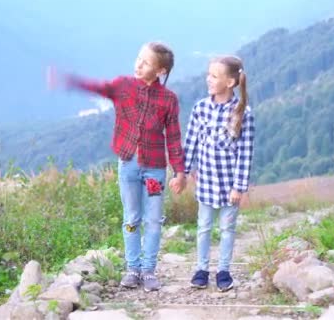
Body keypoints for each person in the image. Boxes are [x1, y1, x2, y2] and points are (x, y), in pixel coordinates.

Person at [47, 41, 186, 292]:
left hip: (154, 169)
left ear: (160, 71)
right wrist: (69, 81)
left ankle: (148, 271)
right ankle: (132, 269)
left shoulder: (169, 100)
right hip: (128, 165)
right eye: (138, 58)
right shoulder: (123, 86)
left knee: (153, 220)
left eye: (146, 62)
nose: (138, 64)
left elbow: (174, 136)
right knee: (131, 217)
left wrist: (179, 171)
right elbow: (98, 87)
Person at [170, 55, 254, 292]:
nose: (208, 79)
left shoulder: (243, 113)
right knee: (204, 226)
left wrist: (239, 186)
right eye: (208, 74)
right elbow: (191, 143)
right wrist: (182, 173)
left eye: (214, 76)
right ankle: (201, 269)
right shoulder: (201, 108)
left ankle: (224, 270)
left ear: (229, 82)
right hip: (205, 182)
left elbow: (245, 153)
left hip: (229, 186)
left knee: (227, 228)